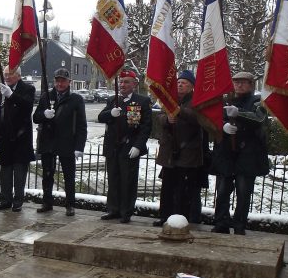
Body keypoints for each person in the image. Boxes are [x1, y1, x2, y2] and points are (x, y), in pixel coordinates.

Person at [210, 71, 269, 235]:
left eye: (243, 82)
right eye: (236, 82)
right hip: (227, 153)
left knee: (243, 193)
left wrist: (240, 114)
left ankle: (239, 225)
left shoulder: (258, 101)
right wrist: (222, 126)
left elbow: (259, 119)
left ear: (251, 85)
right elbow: (212, 119)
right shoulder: (226, 100)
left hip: (247, 154)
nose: (239, 85)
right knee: (222, 192)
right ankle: (221, 222)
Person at [98, 69, 153, 223]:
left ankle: (126, 211)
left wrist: (138, 146)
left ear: (134, 84)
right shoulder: (112, 100)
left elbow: (145, 127)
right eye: (121, 82)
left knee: (128, 181)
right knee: (113, 179)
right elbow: (101, 117)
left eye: (126, 82)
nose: (122, 84)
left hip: (129, 147)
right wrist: (110, 113)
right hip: (113, 147)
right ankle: (113, 209)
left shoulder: (141, 101)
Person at [32, 68, 87, 216]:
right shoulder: (46, 97)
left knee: (69, 176)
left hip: (67, 143)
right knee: (47, 175)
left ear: (69, 82)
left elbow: (82, 125)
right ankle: (47, 202)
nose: (60, 83)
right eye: (57, 80)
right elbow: (35, 117)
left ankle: (70, 205)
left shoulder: (76, 99)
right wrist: (44, 114)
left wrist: (79, 147)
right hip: (48, 142)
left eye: (63, 80)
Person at [154, 70, 205, 226]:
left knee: (183, 189)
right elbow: (160, 116)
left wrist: (178, 110)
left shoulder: (197, 101)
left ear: (192, 87)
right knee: (167, 188)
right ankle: (165, 216)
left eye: (185, 83)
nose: (180, 85)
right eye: (179, 82)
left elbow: (198, 118)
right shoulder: (169, 99)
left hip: (188, 152)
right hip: (169, 151)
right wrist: (167, 119)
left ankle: (182, 218)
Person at [0, 66, 36, 212]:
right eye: (5, 74)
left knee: (19, 173)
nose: (7, 77)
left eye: (10, 74)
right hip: (5, 139)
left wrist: (12, 95)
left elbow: (27, 107)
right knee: (5, 173)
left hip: (20, 138)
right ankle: (5, 199)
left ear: (18, 75)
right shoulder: (2, 92)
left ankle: (18, 200)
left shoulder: (28, 89)